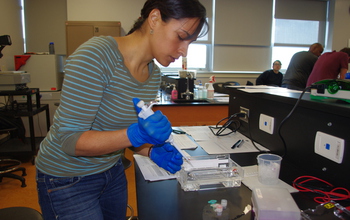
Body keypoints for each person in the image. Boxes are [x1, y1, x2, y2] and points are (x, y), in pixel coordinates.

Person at [35, 0, 208, 219]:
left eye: (190, 43)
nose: (184, 51)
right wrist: (136, 134)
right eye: (182, 37)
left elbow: (120, 134)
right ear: (154, 19)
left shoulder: (153, 73)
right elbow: (70, 141)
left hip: (111, 171)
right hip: (67, 178)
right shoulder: (96, 56)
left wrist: (150, 150)